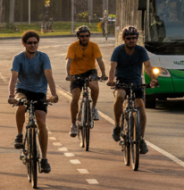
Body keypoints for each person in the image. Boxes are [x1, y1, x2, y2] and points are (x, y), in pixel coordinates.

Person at [8, 31, 59, 174]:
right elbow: (13, 78)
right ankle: (19, 134)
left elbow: (49, 75)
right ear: (24, 44)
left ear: (38, 43)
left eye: (35, 42)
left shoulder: (44, 57)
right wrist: (11, 95)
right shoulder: (18, 58)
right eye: (29, 43)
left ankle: (44, 159)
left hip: (39, 92)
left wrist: (53, 94)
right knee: (21, 105)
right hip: (23, 90)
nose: (32, 45)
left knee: (41, 121)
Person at [107, 26, 159, 154]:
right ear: (124, 39)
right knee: (119, 95)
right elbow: (112, 67)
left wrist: (153, 79)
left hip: (136, 81)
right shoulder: (118, 51)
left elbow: (148, 67)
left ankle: (141, 139)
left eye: (134, 38)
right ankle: (117, 127)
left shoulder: (141, 50)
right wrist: (110, 79)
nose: (131, 41)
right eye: (129, 38)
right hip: (121, 80)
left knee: (140, 106)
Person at [65, 25, 106, 138]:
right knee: (75, 97)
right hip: (76, 73)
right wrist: (69, 75)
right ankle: (73, 124)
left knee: (94, 85)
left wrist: (103, 74)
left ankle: (93, 109)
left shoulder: (94, 46)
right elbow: (69, 62)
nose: (85, 38)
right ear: (78, 37)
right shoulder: (73, 46)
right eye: (82, 36)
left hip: (90, 71)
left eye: (87, 36)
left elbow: (100, 61)